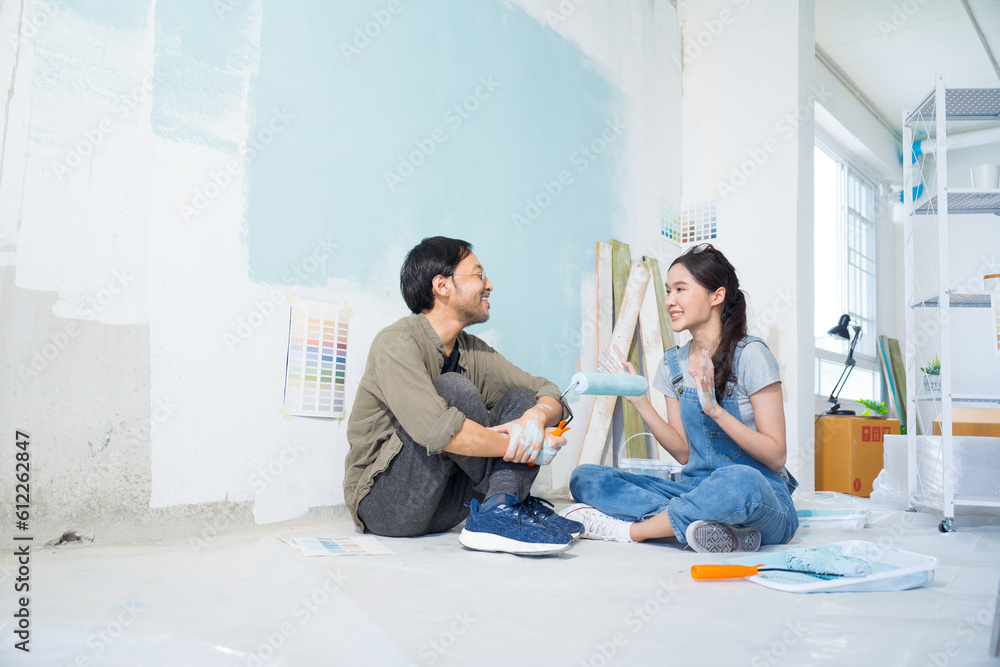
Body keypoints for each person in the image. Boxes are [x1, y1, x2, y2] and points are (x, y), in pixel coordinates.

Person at [344, 236, 581, 555]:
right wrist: (525, 445)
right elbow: (436, 429)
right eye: (479, 275)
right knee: (453, 388)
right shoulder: (395, 343)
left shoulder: (473, 351)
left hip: (447, 508)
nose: (490, 285)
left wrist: (535, 420)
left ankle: (501, 507)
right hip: (388, 506)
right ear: (441, 285)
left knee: (522, 399)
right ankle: (508, 501)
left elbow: (548, 391)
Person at [560, 243, 798, 553]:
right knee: (587, 478)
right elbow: (685, 454)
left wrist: (716, 412)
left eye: (681, 290)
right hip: (694, 489)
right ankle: (717, 528)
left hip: (761, 496)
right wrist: (639, 400)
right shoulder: (673, 365)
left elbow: (776, 455)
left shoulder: (751, 356)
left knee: (739, 482)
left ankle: (633, 531)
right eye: (668, 290)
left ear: (717, 295)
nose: (670, 300)